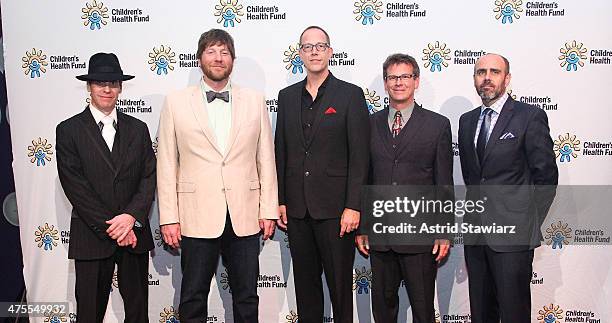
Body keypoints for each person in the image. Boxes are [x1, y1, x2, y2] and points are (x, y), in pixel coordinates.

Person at [157, 29, 278, 323]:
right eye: (211, 51)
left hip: (245, 214)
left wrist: (269, 209)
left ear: (233, 60)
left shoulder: (254, 100)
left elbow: (265, 157)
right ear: (199, 58)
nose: (218, 58)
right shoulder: (175, 102)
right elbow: (167, 164)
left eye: (224, 52)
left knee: (247, 296)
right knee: (193, 295)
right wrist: (168, 217)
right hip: (195, 214)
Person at [274, 25, 370, 323]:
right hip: (298, 211)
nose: (314, 51)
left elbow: (360, 156)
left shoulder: (350, 95)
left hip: (336, 212)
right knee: (305, 289)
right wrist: (280, 200)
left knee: (341, 289)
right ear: (299, 54)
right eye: (307, 46)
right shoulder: (287, 96)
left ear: (330, 52)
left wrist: (354, 205)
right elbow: (281, 151)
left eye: (320, 46)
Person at [458, 53, 558, 323]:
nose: (487, 77)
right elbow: (473, 179)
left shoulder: (529, 116)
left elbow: (546, 177)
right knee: (481, 313)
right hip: (476, 236)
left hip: (513, 238)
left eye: (494, 71)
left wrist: (525, 222)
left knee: (513, 313)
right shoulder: (466, 122)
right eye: (481, 72)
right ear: (475, 79)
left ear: (507, 78)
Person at [56, 52, 155, 322]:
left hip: (133, 236)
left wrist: (130, 218)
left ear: (121, 88)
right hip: (92, 235)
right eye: (100, 83)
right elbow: (75, 186)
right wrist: (114, 227)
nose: (107, 89)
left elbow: (148, 178)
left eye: (113, 83)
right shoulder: (68, 130)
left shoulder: (139, 129)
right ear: (89, 87)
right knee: (89, 313)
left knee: (138, 314)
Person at [355, 53, 453, 323]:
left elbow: (443, 183)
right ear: (385, 84)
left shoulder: (437, 125)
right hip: (381, 236)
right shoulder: (369, 124)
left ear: (416, 81)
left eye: (405, 76)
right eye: (393, 77)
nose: (399, 82)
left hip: (420, 237)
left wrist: (443, 230)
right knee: (383, 309)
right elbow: (365, 178)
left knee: (423, 310)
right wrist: (364, 227)